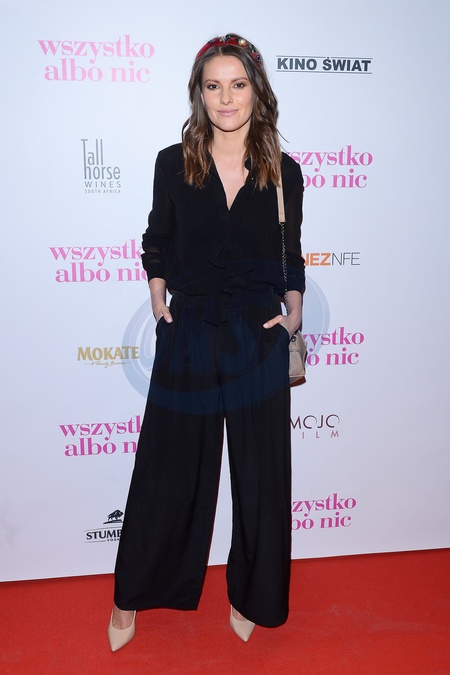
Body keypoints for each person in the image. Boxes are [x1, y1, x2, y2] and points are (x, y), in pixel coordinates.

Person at [108, 33, 305, 651]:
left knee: (261, 474)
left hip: (257, 333)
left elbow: (291, 253)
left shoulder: (284, 171)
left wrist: (294, 312)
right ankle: (132, 593)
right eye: (213, 85)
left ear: (257, 91)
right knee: (167, 466)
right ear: (199, 93)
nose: (226, 97)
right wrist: (157, 294)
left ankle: (254, 594)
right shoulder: (174, 162)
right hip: (188, 328)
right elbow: (157, 237)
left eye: (237, 84)